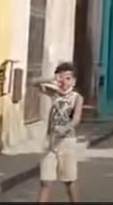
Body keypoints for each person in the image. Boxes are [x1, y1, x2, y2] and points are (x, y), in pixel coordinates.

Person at [35, 62, 84, 203]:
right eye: (61, 78)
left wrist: (65, 128)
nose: (64, 82)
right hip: (50, 142)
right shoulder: (54, 93)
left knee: (69, 181)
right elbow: (34, 83)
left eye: (68, 78)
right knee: (45, 182)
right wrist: (51, 79)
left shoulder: (76, 97)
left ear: (73, 81)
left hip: (67, 142)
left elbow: (76, 119)